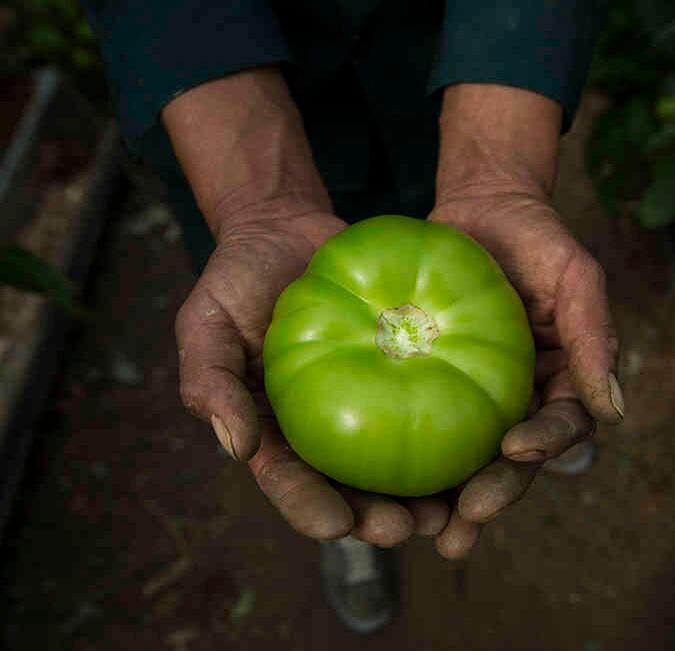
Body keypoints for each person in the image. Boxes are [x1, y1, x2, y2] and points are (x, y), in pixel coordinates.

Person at [82, 0, 623, 634]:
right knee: (258, 304)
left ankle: (505, 411)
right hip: (228, 102)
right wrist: (259, 208)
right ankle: (353, 494)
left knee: (490, 251)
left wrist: (501, 171)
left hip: (445, 60)